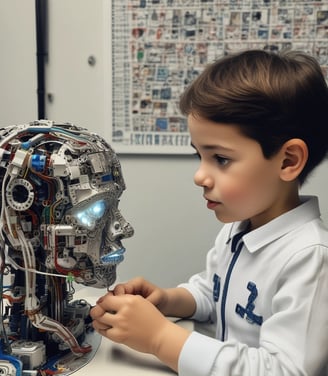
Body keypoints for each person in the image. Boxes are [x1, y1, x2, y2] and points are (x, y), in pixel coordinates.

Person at [90, 49, 328, 376]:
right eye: (199, 155)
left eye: (221, 159)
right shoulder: (239, 229)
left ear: (287, 161)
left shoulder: (310, 259)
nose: (199, 176)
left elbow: (284, 370)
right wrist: (168, 300)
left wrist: (160, 337)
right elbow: (214, 291)